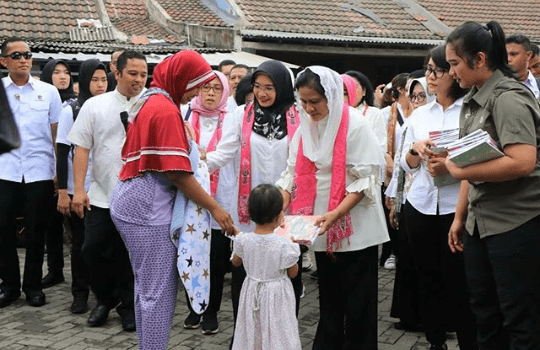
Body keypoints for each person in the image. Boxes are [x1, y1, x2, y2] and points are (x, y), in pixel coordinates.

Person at [109, 50, 234, 350]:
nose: (196, 92)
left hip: (134, 199)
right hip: (147, 208)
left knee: (146, 288)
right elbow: (178, 173)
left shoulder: (155, 100)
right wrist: (215, 208)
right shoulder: (164, 109)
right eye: (196, 84)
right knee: (158, 293)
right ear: (181, 79)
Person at [278, 66, 388, 350]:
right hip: (320, 225)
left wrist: (336, 214)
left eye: (314, 101)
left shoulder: (354, 124)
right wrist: (279, 207)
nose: (308, 108)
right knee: (329, 296)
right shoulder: (305, 127)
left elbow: (365, 182)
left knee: (358, 301)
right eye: (303, 101)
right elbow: (291, 174)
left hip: (355, 224)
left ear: (332, 96)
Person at [446, 20, 540, 349]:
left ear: (480, 59)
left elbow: (523, 161)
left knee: (519, 319)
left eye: (455, 63)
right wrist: (460, 217)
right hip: (479, 224)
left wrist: (455, 171)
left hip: (515, 223)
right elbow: (473, 163)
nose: (451, 72)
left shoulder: (509, 97)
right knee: (485, 314)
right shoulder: (473, 101)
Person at [205, 60, 304, 341]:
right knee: (245, 274)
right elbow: (224, 152)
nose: (262, 93)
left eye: (270, 87)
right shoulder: (241, 115)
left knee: (287, 272)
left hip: (287, 208)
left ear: (283, 87)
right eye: (258, 86)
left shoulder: (298, 116)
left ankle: (283, 339)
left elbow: (303, 162)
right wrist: (199, 163)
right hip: (252, 207)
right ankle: (246, 338)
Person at [400, 45, 477, 350]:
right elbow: (404, 164)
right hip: (420, 205)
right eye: (428, 69)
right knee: (426, 279)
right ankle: (435, 342)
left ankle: (468, 341)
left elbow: (476, 163)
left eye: (437, 70)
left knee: (460, 282)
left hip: (454, 208)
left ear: (454, 74)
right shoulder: (420, 115)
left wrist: (448, 164)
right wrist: (416, 150)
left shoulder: (470, 112)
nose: (429, 77)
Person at [68, 51, 147, 331]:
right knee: (92, 250)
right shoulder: (95, 105)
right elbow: (82, 148)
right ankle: (105, 297)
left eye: (143, 74)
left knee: (129, 255)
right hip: (101, 194)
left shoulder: (152, 104)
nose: (138, 80)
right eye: (133, 74)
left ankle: (128, 307)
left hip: (139, 197)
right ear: (118, 73)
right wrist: (78, 189)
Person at [0, 37, 63, 308]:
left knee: (38, 230)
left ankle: (33, 286)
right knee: (3, 230)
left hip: (39, 172)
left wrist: (61, 172)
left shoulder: (48, 92)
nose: (23, 59)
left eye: (27, 54)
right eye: (16, 55)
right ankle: (9, 285)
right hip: (5, 171)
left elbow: (57, 134)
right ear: (4, 61)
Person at [181, 71, 235, 334]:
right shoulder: (187, 115)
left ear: (224, 92)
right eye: (206, 88)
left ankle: (211, 311)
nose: (211, 93)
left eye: (216, 88)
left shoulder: (232, 119)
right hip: (193, 198)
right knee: (193, 255)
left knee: (215, 259)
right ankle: (195, 307)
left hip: (222, 197)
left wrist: (205, 156)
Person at [56, 59, 108, 314]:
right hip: (80, 189)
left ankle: (104, 296)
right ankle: (80, 294)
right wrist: (65, 192)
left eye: (103, 80)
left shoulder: (111, 108)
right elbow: (62, 151)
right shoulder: (72, 110)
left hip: (106, 191)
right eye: (94, 79)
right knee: (80, 244)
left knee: (101, 246)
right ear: (84, 81)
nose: (99, 85)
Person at [231, 184, 301, 350]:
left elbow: (235, 262)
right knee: (279, 330)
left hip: (251, 290)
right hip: (277, 294)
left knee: (253, 327)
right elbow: (293, 272)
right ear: (278, 215)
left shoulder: (244, 240)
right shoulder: (284, 243)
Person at [39, 58, 77, 289]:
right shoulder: (43, 100)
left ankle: (82, 274)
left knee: (77, 229)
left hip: (74, 174)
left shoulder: (79, 104)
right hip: (46, 170)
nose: (62, 77)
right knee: (51, 225)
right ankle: (55, 270)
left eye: (66, 73)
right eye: (56, 72)